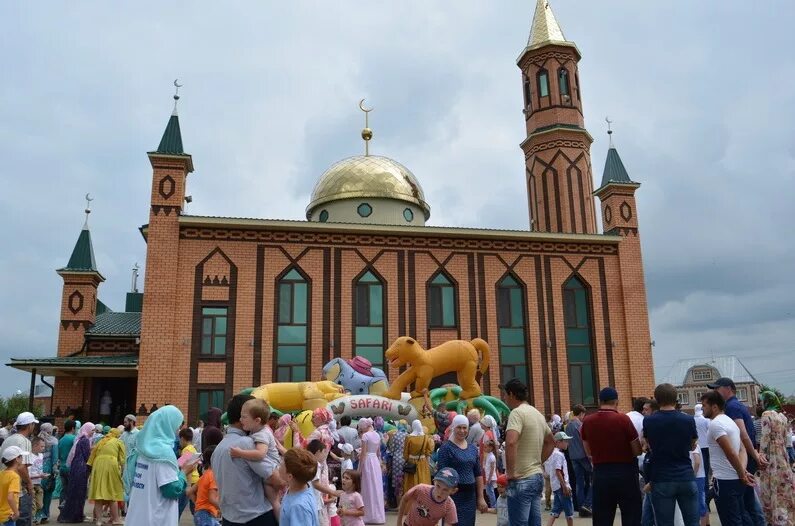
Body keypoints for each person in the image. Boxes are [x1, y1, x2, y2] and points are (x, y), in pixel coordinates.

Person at [706, 377, 766, 526]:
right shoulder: (733, 412)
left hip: (728, 476)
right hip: (738, 470)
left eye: (717, 388)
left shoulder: (729, 410)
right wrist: (743, 469)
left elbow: (740, 442)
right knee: (744, 511)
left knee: (738, 514)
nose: (715, 391)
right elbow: (741, 446)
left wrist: (743, 470)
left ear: (728, 389)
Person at [211, 394, 278, 526]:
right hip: (255, 517)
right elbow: (277, 479)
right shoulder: (246, 444)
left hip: (229, 518)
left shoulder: (218, 448)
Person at [126, 406, 197, 526]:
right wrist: (184, 472)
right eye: (177, 427)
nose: (177, 432)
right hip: (156, 518)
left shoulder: (141, 447)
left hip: (137, 517)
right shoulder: (163, 453)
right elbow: (172, 489)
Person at [581, 387, 642, 526]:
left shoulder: (588, 422)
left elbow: (588, 451)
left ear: (599, 401)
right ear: (617, 402)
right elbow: (637, 450)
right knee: (631, 514)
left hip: (601, 473)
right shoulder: (623, 419)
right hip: (625, 472)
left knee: (602, 517)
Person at [642, 383, 699, 526]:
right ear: (676, 398)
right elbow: (693, 445)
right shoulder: (687, 419)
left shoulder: (649, 420)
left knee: (664, 522)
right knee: (692, 522)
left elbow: (647, 444)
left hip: (661, 477)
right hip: (686, 475)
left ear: (657, 399)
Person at [502, 378, 554, 526]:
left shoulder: (516, 413)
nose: (504, 398)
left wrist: (510, 472)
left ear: (511, 394)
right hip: (536, 476)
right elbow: (551, 442)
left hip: (521, 478)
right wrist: (538, 460)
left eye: (505, 394)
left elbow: (511, 442)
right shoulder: (537, 413)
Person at [699, 390, 755, 526]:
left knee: (731, 520)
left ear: (714, 407)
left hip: (725, 480)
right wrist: (742, 471)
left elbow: (730, 452)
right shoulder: (730, 421)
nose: (701, 408)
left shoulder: (716, 424)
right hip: (735, 478)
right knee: (742, 516)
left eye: (704, 405)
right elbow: (742, 449)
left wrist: (742, 473)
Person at [229, 399, 285, 519]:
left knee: (274, 502)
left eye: (244, 417)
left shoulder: (262, 434)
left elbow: (260, 454)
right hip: (274, 469)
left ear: (257, 420)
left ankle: (282, 522)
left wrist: (240, 453)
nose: (240, 420)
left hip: (274, 469)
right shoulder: (258, 430)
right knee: (274, 500)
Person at [437, 414, 488, 526]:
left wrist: (481, 497)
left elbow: (478, 474)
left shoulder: (472, 449)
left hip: (470, 497)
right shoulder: (446, 448)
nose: (462, 430)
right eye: (459, 427)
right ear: (453, 428)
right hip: (452, 497)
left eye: (465, 427)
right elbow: (441, 476)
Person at [757, 390, 795, 525]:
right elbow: (785, 439)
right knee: (782, 488)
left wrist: (760, 455)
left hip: (772, 456)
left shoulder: (766, 414)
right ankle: (785, 519)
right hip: (782, 455)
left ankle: (774, 519)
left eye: (761, 400)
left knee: (771, 486)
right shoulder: (783, 417)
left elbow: (765, 438)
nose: (760, 403)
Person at [1, 412, 38, 526]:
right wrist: (30, 484)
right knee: (23, 518)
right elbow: (22, 467)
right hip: (19, 489)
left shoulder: (8, 439)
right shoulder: (25, 441)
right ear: (30, 425)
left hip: (4, 482)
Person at [87, 428, 126, 525]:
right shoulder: (118, 441)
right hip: (111, 465)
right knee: (112, 493)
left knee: (98, 494)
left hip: (98, 465)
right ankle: (116, 519)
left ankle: (99, 520)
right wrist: (123, 471)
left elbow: (91, 457)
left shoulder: (101, 441)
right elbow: (122, 459)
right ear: (117, 435)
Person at [58, 421, 94, 523]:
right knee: (79, 493)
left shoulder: (79, 439)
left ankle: (68, 515)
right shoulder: (85, 440)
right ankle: (75, 516)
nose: (93, 432)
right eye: (92, 430)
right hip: (81, 468)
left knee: (70, 492)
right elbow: (87, 456)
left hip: (74, 467)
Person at [354, 418, 384, 524]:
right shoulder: (377, 435)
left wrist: (359, 468)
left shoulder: (365, 436)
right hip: (375, 461)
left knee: (367, 487)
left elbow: (363, 454)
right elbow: (378, 452)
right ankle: (378, 515)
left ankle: (368, 515)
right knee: (376, 487)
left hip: (367, 461)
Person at [278, 448, 319, 526]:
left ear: (289, 476)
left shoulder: (298, 506)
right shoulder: (303, 484)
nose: (279, 465)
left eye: (281, 464)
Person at [564, 404, 592, 517]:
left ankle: (581, 507)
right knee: (595, 477)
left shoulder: (568, 426)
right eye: (583, 415)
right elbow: (585, 440)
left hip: (573, 456)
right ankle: (588, 503)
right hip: (583, 455)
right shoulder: (580, 425)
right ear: (581, 414)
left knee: (579, 483)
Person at [545, 432, 574, 526]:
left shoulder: (553, 453)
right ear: (557, 442)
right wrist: (565, 486)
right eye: (565, 441)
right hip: (562, 486)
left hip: (556, 486)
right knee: (569, 512)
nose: (567, 443)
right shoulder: (558, 455)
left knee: (555, 510)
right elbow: (558, 471)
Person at [188, 446, 221, 526]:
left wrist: (198, 505)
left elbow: (190, 492)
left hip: (200, 513)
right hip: (207, 514)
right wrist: (224, 508)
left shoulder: (205, 475)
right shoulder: (213, 475)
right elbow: (212, 498)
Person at [402, 420, 433, 492]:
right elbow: (429, 450)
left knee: (411, 481)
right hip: (423, 462)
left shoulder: (409, 438)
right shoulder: (425, 437)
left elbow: (405, 452)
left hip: (411, 462)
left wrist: (407, 458)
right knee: (423, 478)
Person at [177, 427, 200, 518]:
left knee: (179, 508)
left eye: (180, 440)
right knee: (193, 507)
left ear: (182, 438)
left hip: (189, 481)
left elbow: (180, 465)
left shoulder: (186, 450)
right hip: (195, 479)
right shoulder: (193, 449)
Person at [692, 403, 711, 513]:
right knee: (705, 471)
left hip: (695, 446)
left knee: (698, 469)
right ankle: (706, 501)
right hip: (705, 447)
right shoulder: (706, 420)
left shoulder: (692, 420)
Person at [55, 419, 76, 513]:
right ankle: (67, 508)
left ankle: (62, 509)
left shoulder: (61, 439)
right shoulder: (74, 439)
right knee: (72, 489)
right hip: (71, 467)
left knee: (64, 489)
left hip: (62, 467)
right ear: (73, 428)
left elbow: (58, 454)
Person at [385, 421, 407, 506]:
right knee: (404, 481)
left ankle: (398, 504)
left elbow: (392, 449)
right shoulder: (407, 435)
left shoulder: (395, 435)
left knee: (397, 482)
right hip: (405, 459)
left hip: (396, 460)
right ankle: (405, 504)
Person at [1, 446, 24, 525]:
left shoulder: (2, 473)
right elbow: (10, 497)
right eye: (21, 456)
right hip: (9, 515)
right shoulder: (14, 476)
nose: (22, 458)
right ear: (17, 459)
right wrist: (16, 513)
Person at [27, 438, 45, 525]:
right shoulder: (29, 456)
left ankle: (34, 518)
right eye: (41, 446)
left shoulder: (41, 455)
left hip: (39, 483)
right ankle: (31, 521)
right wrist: (39, 475)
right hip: (31, 483)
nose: (43, 448)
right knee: (32, 506)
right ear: (34, 446)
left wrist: (42, 474)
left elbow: (39, 468)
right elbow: (27, 474)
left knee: (40, 504)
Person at [689, 445, 707, 526]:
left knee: (700, 503)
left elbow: (697, 461)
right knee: (700, 502)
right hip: (697, 477)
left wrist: (693, 475)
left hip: (697, 477)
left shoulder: (694, 445)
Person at [483, 440, 498, 508]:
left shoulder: (492, 457)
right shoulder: (489, 455)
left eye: (486, 447)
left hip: (490, 477)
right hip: (489, 476)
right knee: (489, 491)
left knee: (490, 492)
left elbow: (492, 469)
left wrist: (489, 478)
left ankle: (493, 505)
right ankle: (493, 504)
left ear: (491, 448)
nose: (485, 448)